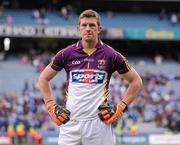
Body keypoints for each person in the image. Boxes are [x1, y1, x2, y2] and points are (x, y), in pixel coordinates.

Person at [38, 9, 142, 145]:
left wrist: (120, 108)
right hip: (70, 122)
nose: (88, 29)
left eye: (92, 25)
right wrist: (51, 106)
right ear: (78, 29)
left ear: (99, 29)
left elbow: (136, 81)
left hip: (99, 123)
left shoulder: (111, 55)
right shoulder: (66, 54)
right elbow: (43, 79)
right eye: (84, 25)